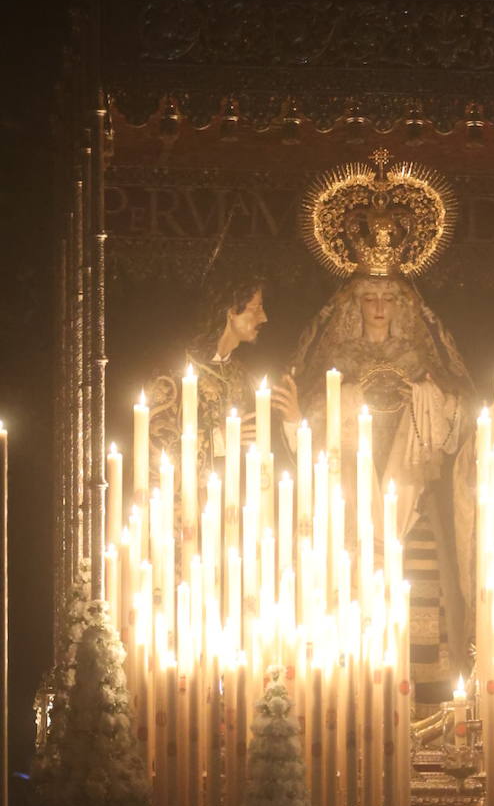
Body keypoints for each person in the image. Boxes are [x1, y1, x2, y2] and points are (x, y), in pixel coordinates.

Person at [274, 272, 473, 698]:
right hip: (350, 506)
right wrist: (300, 418)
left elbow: (451, 430)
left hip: (409, 503)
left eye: (388, 299)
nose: (380, 308)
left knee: (419, 595)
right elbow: (311, 439)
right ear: (355, 307)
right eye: (369, 299)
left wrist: (438, 400)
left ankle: (420, 703)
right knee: (347, 597)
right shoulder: (337, 360)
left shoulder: (421, 360)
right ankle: (350, 698)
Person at [147, 272, 267, 479]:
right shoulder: (173, 375)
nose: (264, 317)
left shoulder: (243, 374)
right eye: (256, 308)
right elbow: (155, 444)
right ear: (231, 311)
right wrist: (218, 439)